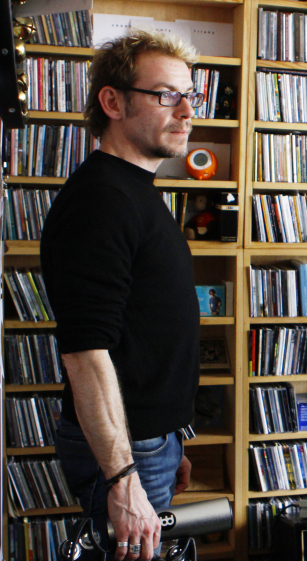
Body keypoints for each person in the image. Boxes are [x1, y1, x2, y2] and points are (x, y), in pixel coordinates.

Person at [40, 29, 205, 561]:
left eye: (190, 95)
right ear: (112, 102)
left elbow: (144, 330)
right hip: (127, 454)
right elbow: (86, 353)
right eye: (166, 95)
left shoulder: (133, 190)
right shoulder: (100, 201)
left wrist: (170, 438)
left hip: (148, 442)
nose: (186, 112)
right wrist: (124, 477)